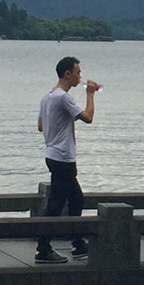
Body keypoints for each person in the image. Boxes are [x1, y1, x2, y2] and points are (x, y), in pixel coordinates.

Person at [35, 55, 99, 265]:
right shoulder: (63, 97)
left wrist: (63, 120)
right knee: (56, 204)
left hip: (52, 155)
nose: (80, 77)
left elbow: (41, 125)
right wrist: (91, 94)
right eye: (78, 73)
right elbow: (88, 117)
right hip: (63, 157)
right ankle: (44, 249)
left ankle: (78, 244)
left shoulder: (48, 95)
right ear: (67, 74)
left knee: (75, 199)